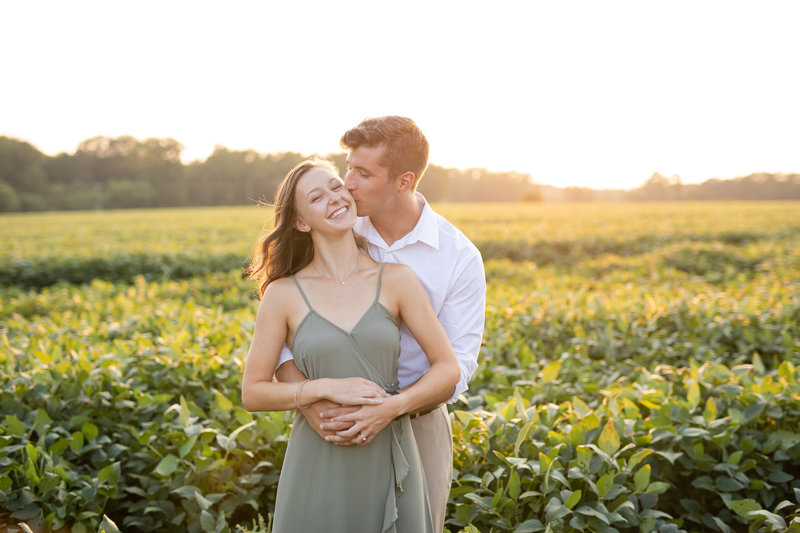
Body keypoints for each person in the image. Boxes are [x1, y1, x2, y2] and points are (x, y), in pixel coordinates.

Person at [276, 116, 486, 532]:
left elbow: (458, 363)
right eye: (348, 167)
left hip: (418, 421)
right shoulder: (333, 223)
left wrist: (391, 408)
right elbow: (284, 337)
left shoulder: (458, 256)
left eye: (363, 173)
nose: (347, 183)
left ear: (404, 182)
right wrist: (316, 404)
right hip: (331, 423)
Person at [241, 158, 461, 532]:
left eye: (334, 185)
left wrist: (392, 408)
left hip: (390, 446)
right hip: (319, 453)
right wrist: (321, 389)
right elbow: (253, 392)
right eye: (316, 196)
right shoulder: (281, 294)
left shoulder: (396, 280)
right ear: (301, 222)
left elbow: (449, 368)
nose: (335, 197)